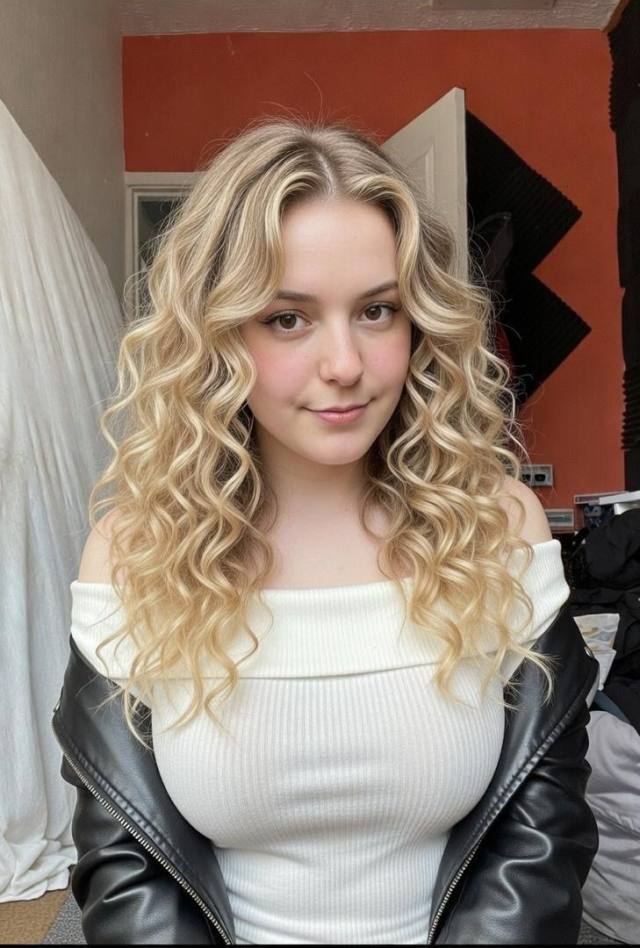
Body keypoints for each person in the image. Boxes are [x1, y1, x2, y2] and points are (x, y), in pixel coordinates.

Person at [52, 116, 599, 945]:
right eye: (288, 318)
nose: (344, 364)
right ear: (216, 334)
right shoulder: (134, 557)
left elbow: (542, 829)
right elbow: (124, 867)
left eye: (377, 310)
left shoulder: (496, 528)